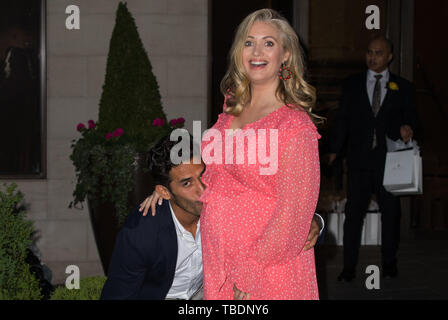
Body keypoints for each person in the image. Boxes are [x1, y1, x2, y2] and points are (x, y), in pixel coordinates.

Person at [141, 9, 322, 300]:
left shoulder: (294, 125)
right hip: (222, 262)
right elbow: (215, 179)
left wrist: (250, 274)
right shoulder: (230, 110)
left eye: (269, 43)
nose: (257, 51)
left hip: (267, 270)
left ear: (286, 54)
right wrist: (170, 191)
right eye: (248, 42)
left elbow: (292, 214)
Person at [101, 135, 322, 299]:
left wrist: (315, 222)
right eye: (187, 183)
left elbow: (277, 212)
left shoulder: (225, 204)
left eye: (203, 175)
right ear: (165, 192)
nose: (204, 189)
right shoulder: (141, 233)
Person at [327, 35, 417, 281]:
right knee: (353, 214)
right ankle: (348, 268)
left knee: (391, 213)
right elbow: (342, 120)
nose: (372, 57)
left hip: (389, 162)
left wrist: (407, 127)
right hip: (358, 160)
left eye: (378, 53)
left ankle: (389, 264)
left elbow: (410, 117)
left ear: (389, 57)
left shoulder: (402, 86)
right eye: (369, 52)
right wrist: (335, 150)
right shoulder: (352, 84)